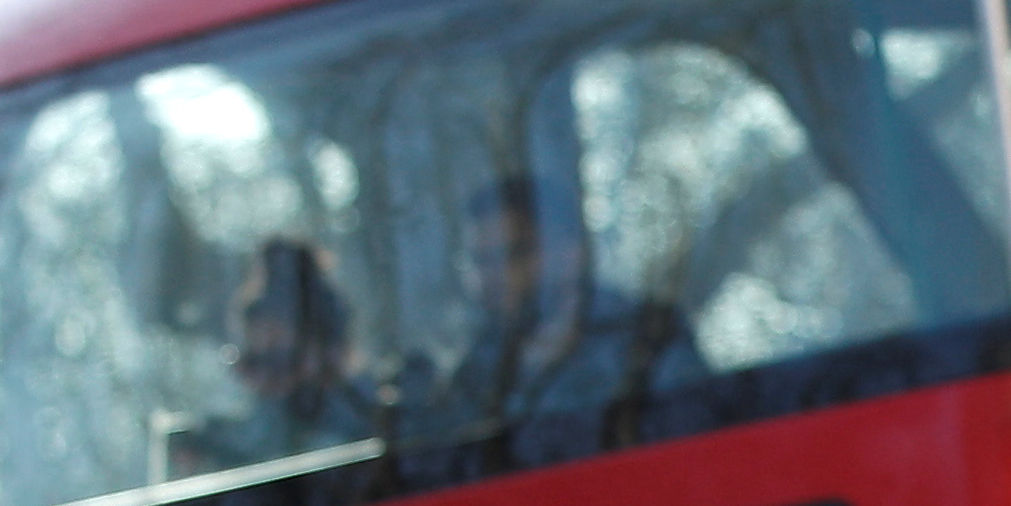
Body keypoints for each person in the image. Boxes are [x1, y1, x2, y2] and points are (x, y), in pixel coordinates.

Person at [407, 172, 695, 460]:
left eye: (512, 254)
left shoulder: (649, 339)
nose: (494, 275)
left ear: (571, 252)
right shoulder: (474, 376)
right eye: (480, 260)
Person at [180, 236, 380, 468]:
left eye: (278, 357)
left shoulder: (353, 420)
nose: (262, 374)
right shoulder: (252, 418)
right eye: (258, 359)